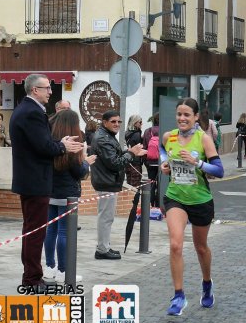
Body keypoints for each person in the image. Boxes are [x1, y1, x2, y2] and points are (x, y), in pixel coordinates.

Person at [10, 74, 83, 291]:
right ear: (35, 90)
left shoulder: (26, 110)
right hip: (35, 181)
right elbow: (43, 147)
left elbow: (40, 143)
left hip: (30, 180)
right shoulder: (32, 112)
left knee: (32, 231)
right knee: (35, 233)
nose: (51, 92)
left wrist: (58, 143)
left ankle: (32, 276)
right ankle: (32, 279)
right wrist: (62, 147)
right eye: (47, 88)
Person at [160, 97, 224, 316]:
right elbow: (162, 149)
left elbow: (219, 170)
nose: (182, 118)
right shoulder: (170, 136)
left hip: (200, 199)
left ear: (196, 117)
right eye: (179, 114)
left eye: (187, 114)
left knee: (200, 247)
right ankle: (179, 296)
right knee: (176, 245)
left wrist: (197, 163)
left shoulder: (203, 139)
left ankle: (207, 283)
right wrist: (164, 163)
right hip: (175, 197)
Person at [43, 110, 96, 283]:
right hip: (68, 195)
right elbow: (78, 172)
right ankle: (63, 271)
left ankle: (49, 267)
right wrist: (86, 162)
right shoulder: (72, 144)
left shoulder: (51, 141)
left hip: (50, 191)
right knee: (64, 232)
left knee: (51, 230)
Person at [91, 110, 146, 260]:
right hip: (106, 182)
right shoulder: (103, 138)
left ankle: (104, 246)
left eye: (119, 121)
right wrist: (131, 153)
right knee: (106, 217)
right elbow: (114, 163)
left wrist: (128, 151)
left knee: (107, 217)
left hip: (108, 181)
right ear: (105, 122)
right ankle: (102, 249)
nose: (117, 124)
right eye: (113, 121)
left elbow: (113, 155)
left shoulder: (106, 136)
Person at [142, 113, 160, 207]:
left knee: (151, 185)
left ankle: (151, 205)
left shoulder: (147, 131)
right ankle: (159, 205)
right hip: (162, 163)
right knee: (161, 184)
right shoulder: (166, 131)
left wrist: (146, 162)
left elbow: (144, 147)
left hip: (150, 162)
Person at [125, 114, 143, 187]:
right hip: (136, 163)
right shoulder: (137, 134)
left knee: (129, 184)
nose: (142, 124)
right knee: (136, 186)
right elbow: (139, 149)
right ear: (135, 123)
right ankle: (135, 199)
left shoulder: (126, 133)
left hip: (127, 161)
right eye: (140, 122)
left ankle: (130, 198)